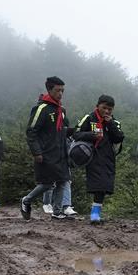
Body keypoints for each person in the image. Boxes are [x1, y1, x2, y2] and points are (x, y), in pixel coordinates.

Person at [20, 76, 74, 220]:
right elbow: (31, 131)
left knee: (63, 180)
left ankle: (57, 213)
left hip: (61, 152)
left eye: (63, 90)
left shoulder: (61, 110)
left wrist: (77, 131)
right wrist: (36, 152)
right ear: (49, 90)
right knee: (47, 184)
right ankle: (26, 200)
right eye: (57, 90)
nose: (60, 93)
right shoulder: (41, 108)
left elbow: (63, 130)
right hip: (46, 153)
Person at [76, 95, 124, 224]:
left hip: (108, 157)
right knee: (98, 184)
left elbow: (119, 138)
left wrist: (110, 123)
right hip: (92, 156)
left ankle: (95, 211)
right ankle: (94, 214)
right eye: (104, 108)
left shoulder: (114, 122)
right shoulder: (89, 118)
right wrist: (91, 135)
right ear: (97, 106)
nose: (107, 111)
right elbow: (76, 133)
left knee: (104, 186)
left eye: (110, 109)